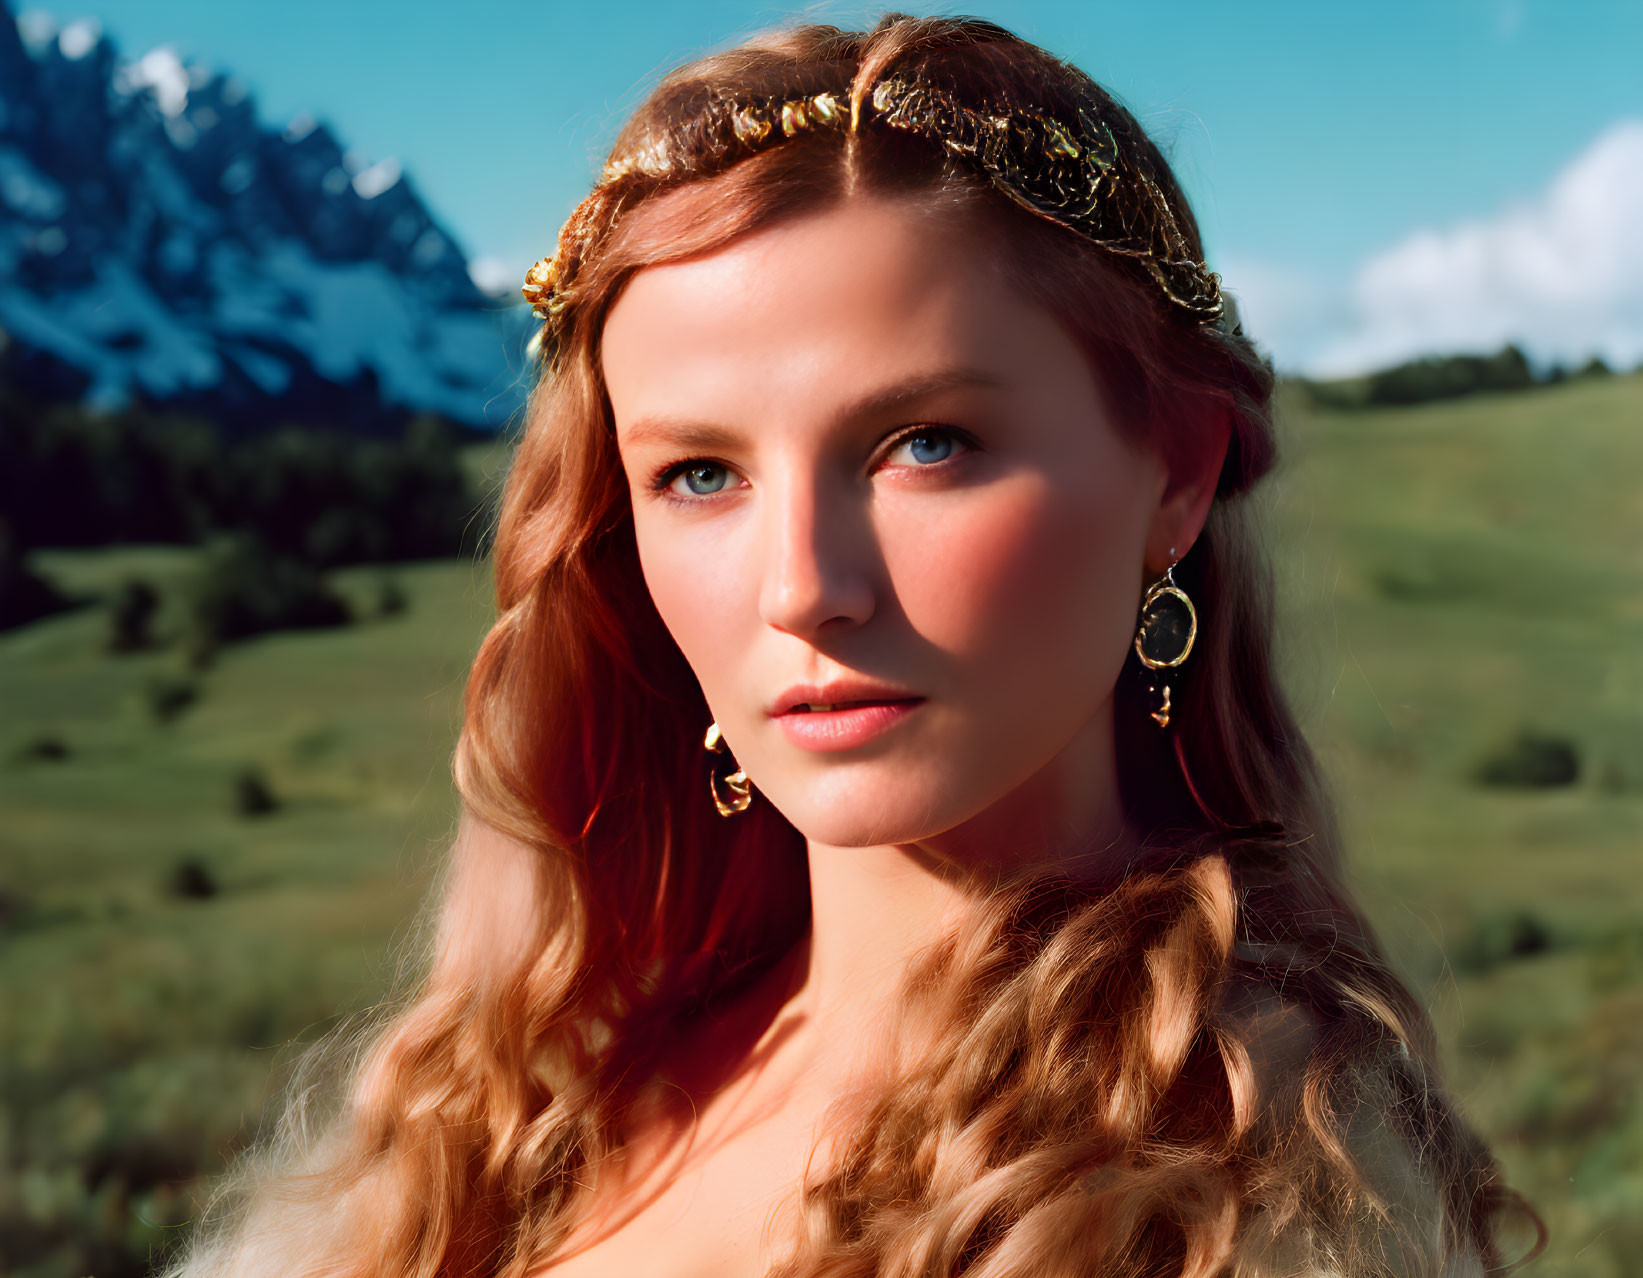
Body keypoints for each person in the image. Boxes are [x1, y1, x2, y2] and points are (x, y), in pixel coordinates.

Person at [163, 13, 1544, 1277]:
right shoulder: (509, 1106)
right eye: (700, 474)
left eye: (925, 444)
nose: (802, 588)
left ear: (1177, 474)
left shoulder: (1250, 1197)